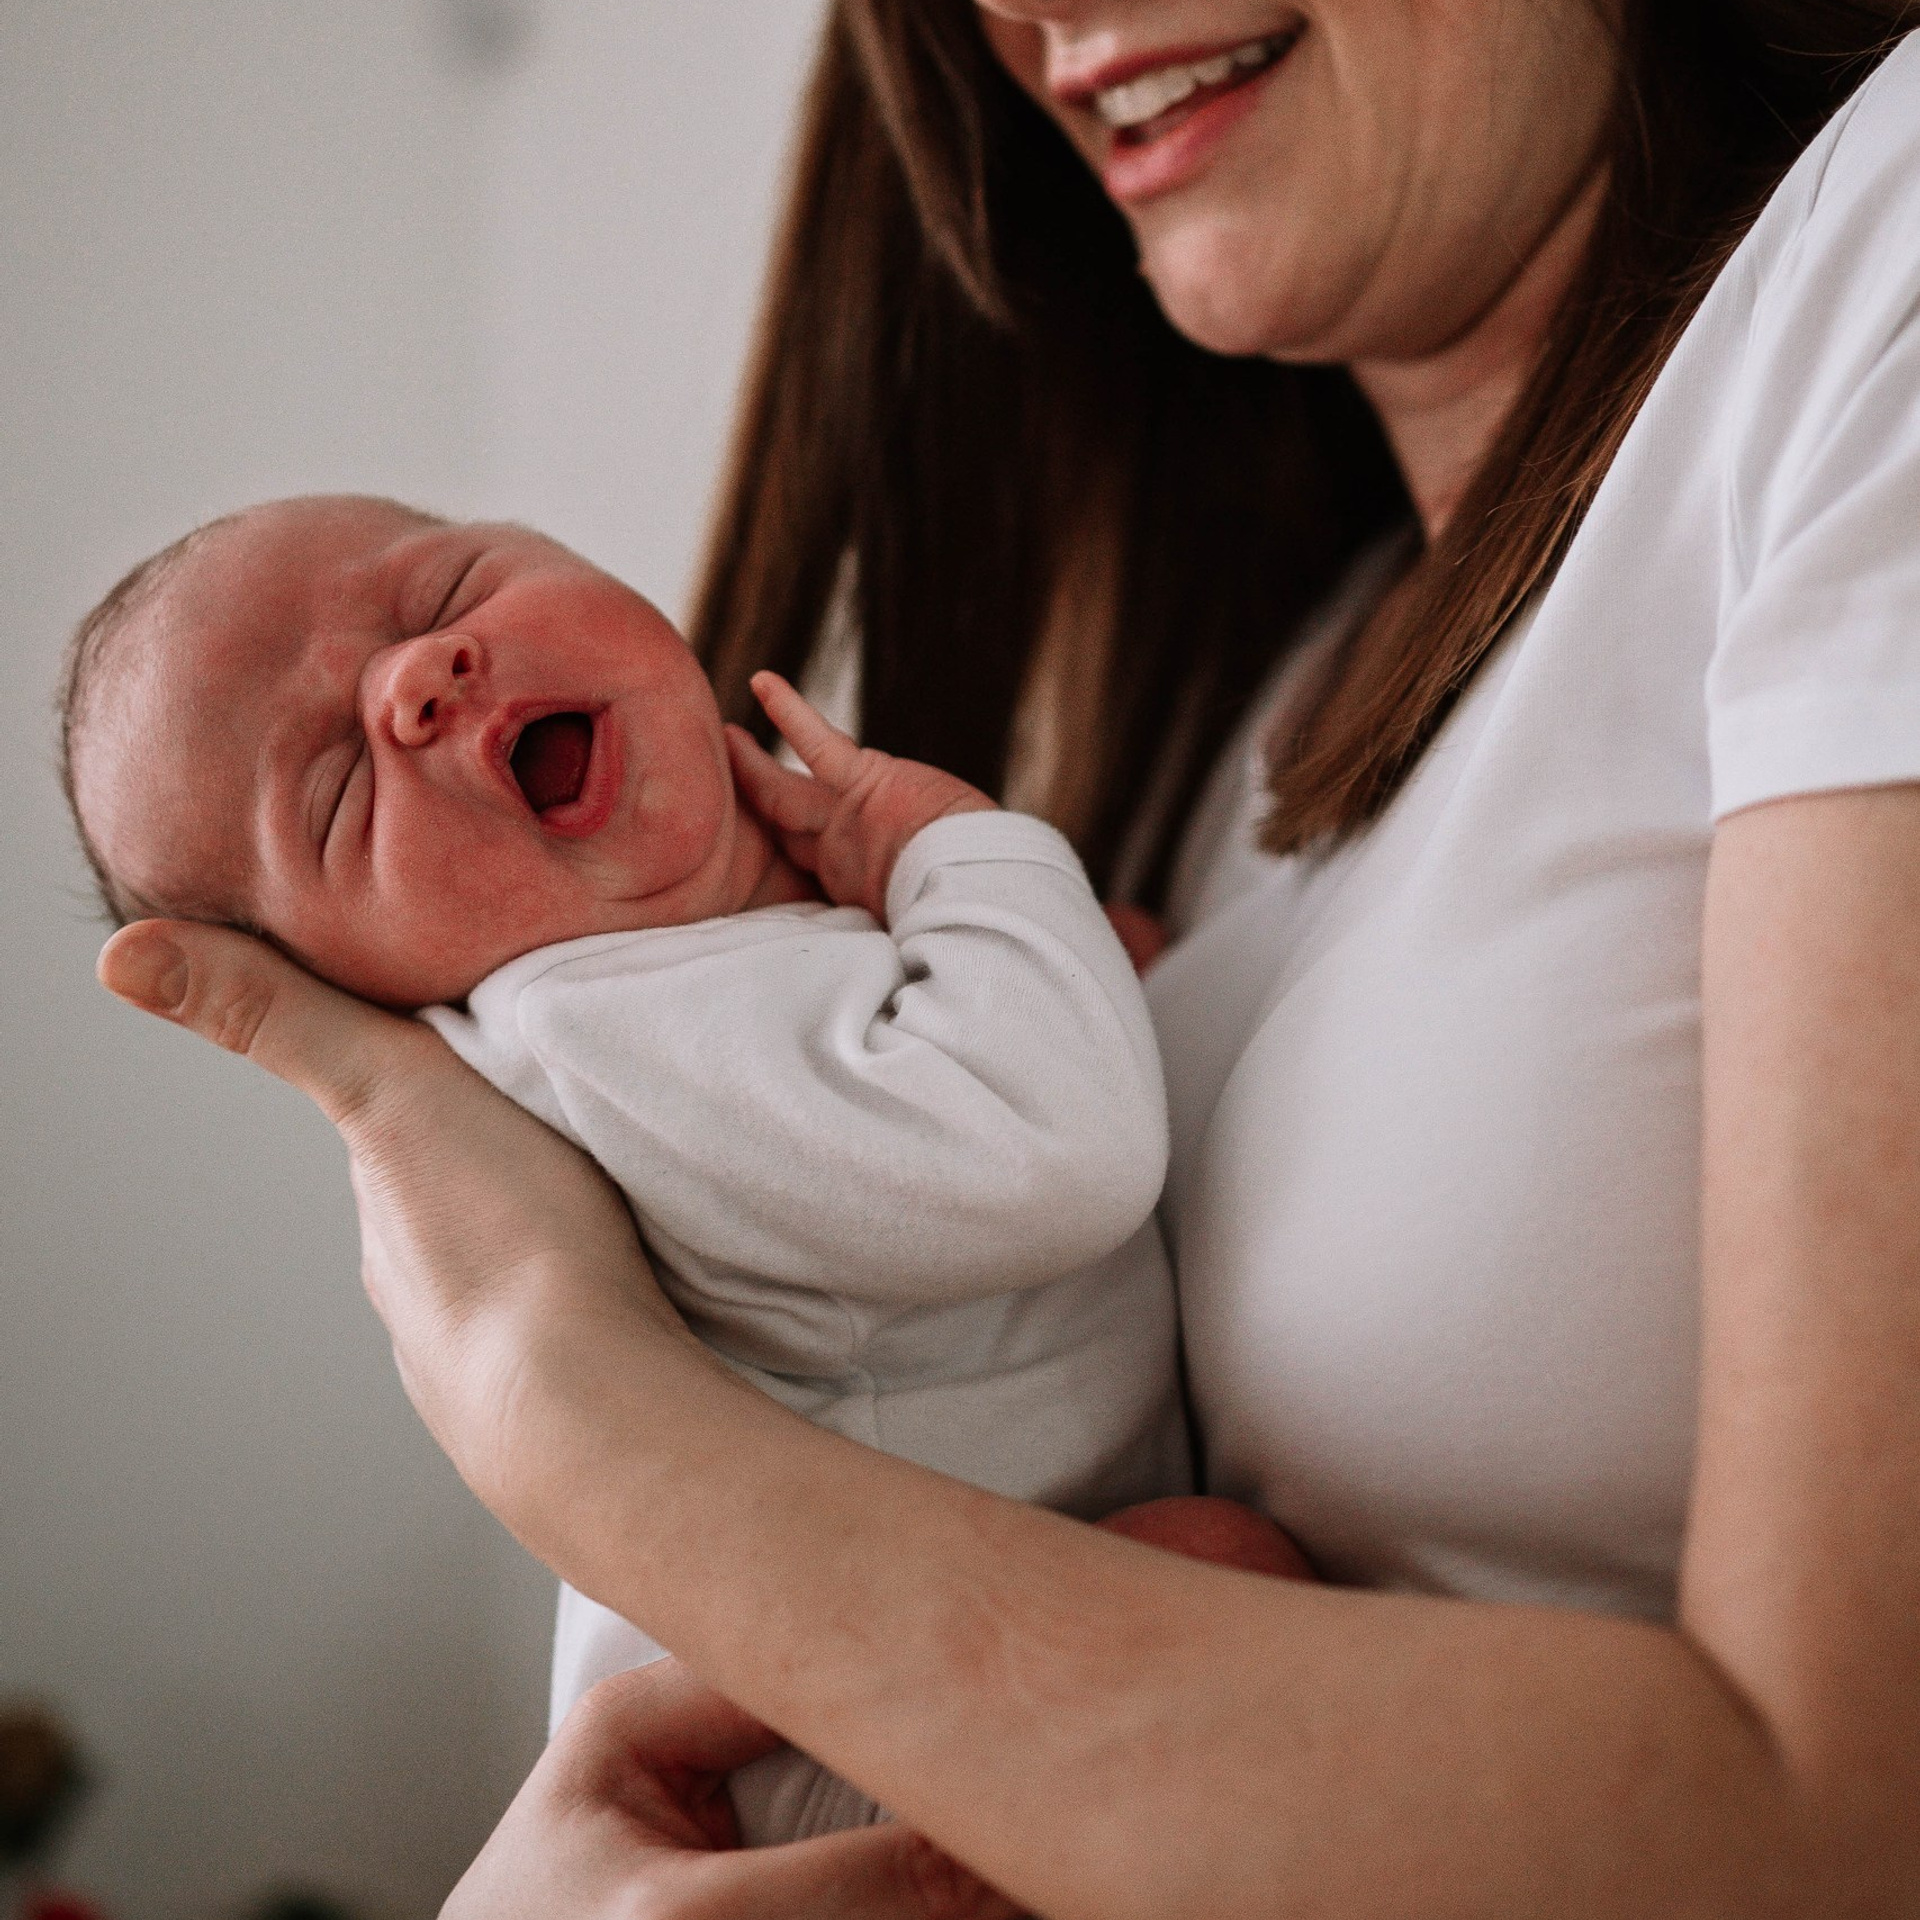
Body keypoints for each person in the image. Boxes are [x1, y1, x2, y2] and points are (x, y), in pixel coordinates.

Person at [92, 0, 1920, 1911]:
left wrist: (555, 1404)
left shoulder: (1871, 269)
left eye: (448, 584)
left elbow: (1846, 1840)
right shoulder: (1272, 714)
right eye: (326, 799)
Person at [63, 496, 1286, 1842]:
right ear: (361, 994)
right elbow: (1060, 1155)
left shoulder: (722, 962)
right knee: (1219, 1576)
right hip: (829, 1762)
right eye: (338, 795)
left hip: (915, 1670)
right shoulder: (594, 1027)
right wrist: (970, 863)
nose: (417, 679)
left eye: (444, 591)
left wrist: (1053, 964)